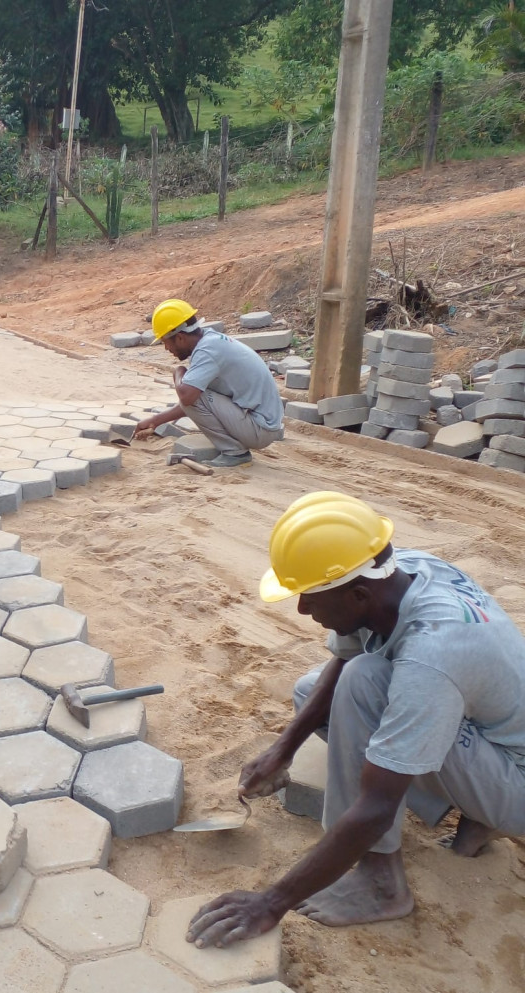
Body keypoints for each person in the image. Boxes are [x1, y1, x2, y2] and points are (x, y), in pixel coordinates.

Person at [187, 490, 525, 949]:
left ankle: (383, 883)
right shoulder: (393, 569)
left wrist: (270, 903)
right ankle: (477, 815)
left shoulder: (434, 651)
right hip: (494, 741)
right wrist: (281, 751)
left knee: (367, 684)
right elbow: (344, 662)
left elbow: (376, 808)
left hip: (516, 779)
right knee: (317, 689)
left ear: (359, 595)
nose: (303, 610)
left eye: (308, 597)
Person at [134, 299, 284, 468]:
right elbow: (197, 401)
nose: (167, 349)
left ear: (180, 337)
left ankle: (234, 452)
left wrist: (179, 372)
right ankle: (233, 447)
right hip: (263, 424)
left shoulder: (207, 351)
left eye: (165, 342)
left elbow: (189, 398)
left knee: (190, 394)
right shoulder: (210, 342)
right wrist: (156, 421)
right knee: (194, 393)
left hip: (260, 429)